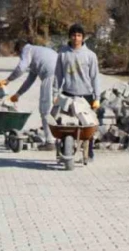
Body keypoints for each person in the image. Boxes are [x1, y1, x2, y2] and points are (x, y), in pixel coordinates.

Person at [0, 39, 58, 149]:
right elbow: (30, 79)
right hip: (62, 75)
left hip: (50, 75)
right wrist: (18, 94)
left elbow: (21, 68)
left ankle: (50, 142)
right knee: (56, 107)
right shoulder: (37, 53)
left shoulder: (26, 50)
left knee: (45, 110)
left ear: (19, 50)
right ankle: (59, 138)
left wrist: (8, 80)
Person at [54, 23, 101, 159]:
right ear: (70, 36)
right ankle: (65, 149)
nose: (76, 38)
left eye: (79, 35)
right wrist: (55, 94)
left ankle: (89, 151)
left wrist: (97, 97)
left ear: (83, 38)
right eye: (74, 35)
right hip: (68, 94)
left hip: (86, 95)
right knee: (64, 124)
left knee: (88, 124)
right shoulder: (62, 54)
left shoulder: (90, 55)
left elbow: (95, 77)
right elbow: (58, 75)